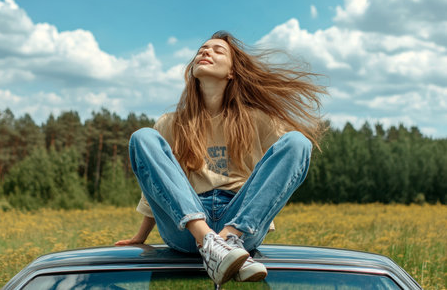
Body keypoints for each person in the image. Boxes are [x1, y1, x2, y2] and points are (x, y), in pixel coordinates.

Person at [116, 31, 325, 285]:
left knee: (298, 142)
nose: (205, 52)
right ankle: (210, 242)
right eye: (202, 49)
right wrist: (141, 236)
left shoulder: (258, 120)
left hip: (241, 223)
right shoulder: (171, 123)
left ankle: (225, 241)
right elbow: (158, 186)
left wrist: (234, 231)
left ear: (232, 72)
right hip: (186, 227)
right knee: (143, 137)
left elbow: (285, 168)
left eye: (217, 50)